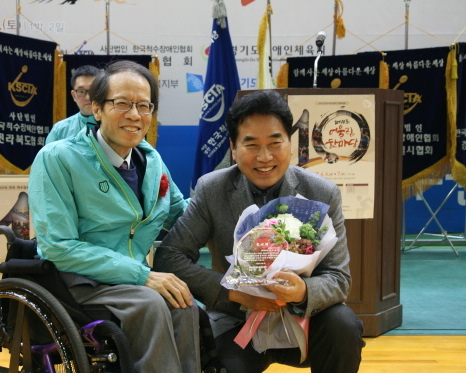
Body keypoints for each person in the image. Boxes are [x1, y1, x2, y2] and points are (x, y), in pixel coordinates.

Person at [153, 89, 364, 373]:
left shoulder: (321, 193)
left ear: (290, 144)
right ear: (233, 147)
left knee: (344, 325)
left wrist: (303, 291)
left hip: (305, 317)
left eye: (275, 142)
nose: (264, 157)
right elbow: (170, 255)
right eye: (251, 145)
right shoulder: (212, 189)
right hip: (237, 320)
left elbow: (339, 278)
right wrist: (231, 292)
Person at [29, 60, 199, 373]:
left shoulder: (152, 161)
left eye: (144, 106)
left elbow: (182, 214)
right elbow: (58, 246)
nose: (135, 115)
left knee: (184, 304)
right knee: (151, 305)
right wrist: (143, 275)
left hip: (132, 280)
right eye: (122, 104)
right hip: (78, 282)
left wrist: (237, 215)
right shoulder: (59, 158)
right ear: (96, 109)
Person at [45, 65, 100, 144]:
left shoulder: (113, 125)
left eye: (93, 90)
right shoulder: (59, 130)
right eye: (81, 91)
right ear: (74, 95)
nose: (88, 97)